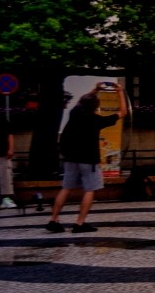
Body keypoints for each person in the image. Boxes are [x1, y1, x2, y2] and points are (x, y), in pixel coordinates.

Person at [46, 82, 127, 234]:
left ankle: (54, 219)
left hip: (70, 157)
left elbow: (82, 100)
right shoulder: (97, 120)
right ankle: (79, 223)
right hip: (88, 160)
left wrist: (96, 89)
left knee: (66, 188)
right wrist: (120, 91)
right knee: (90, 189)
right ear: (96, 107)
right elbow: (123, 112)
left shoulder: (75, 113)